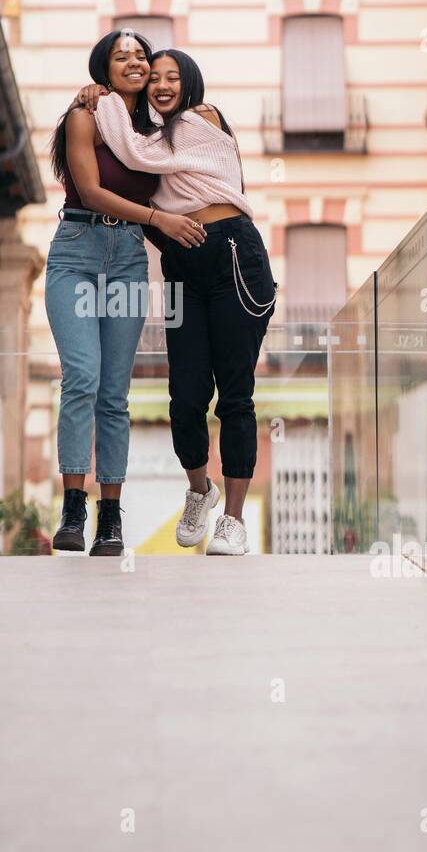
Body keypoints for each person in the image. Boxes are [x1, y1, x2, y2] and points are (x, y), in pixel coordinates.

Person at [74, 47, 276, 556]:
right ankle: (199, 489)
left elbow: (136, 154)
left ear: (190, 83)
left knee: (236, 395)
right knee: (184, 398)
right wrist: (107, 98)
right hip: (183, 261)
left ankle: (233, 519)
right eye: (154, 78)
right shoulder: (149, 138)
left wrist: (105, 100)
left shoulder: (197, 121)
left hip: (233, 252)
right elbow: (133, 164)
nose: (162, 84)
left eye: (173, 76)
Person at [47, 31, 206, 557]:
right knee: (82, 378)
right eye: (123, 57)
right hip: (77, 249)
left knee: (115, 394)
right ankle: (73, 507)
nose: (135, 63)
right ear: (104, 70)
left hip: (129, 259)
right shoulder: (84, 117)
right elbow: (90, 190)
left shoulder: (158, 132)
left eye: (141, 55)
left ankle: (110, 519)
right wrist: (161, 218)